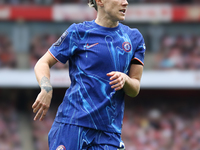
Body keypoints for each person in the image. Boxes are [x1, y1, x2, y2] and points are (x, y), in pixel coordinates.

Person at [32, 0, 146, 149]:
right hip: (72, 125)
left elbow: (135, 88)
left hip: (108, 133)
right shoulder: (78, 32)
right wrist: (46, 88)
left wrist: (126, 80)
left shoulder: (134, 38)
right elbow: (42, 63)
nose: (125, 2)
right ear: (100, 1)